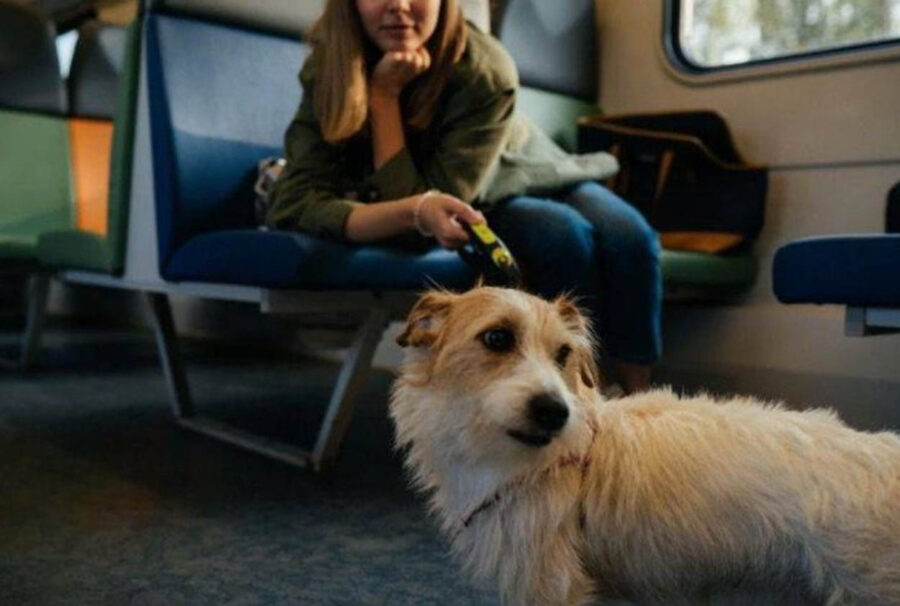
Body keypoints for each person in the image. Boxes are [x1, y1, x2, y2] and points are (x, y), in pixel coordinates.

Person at [265, 0, 661, 393]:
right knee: (562, 236)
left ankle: (638, 398)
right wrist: (384, 97)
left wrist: (385, 97)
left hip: (534, 169)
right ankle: (585, 394)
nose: (398, 6)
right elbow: (418, 210)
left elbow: (428, 198)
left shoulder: (484, 67)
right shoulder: (331, 66)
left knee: (633, 237)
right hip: (481, 199)